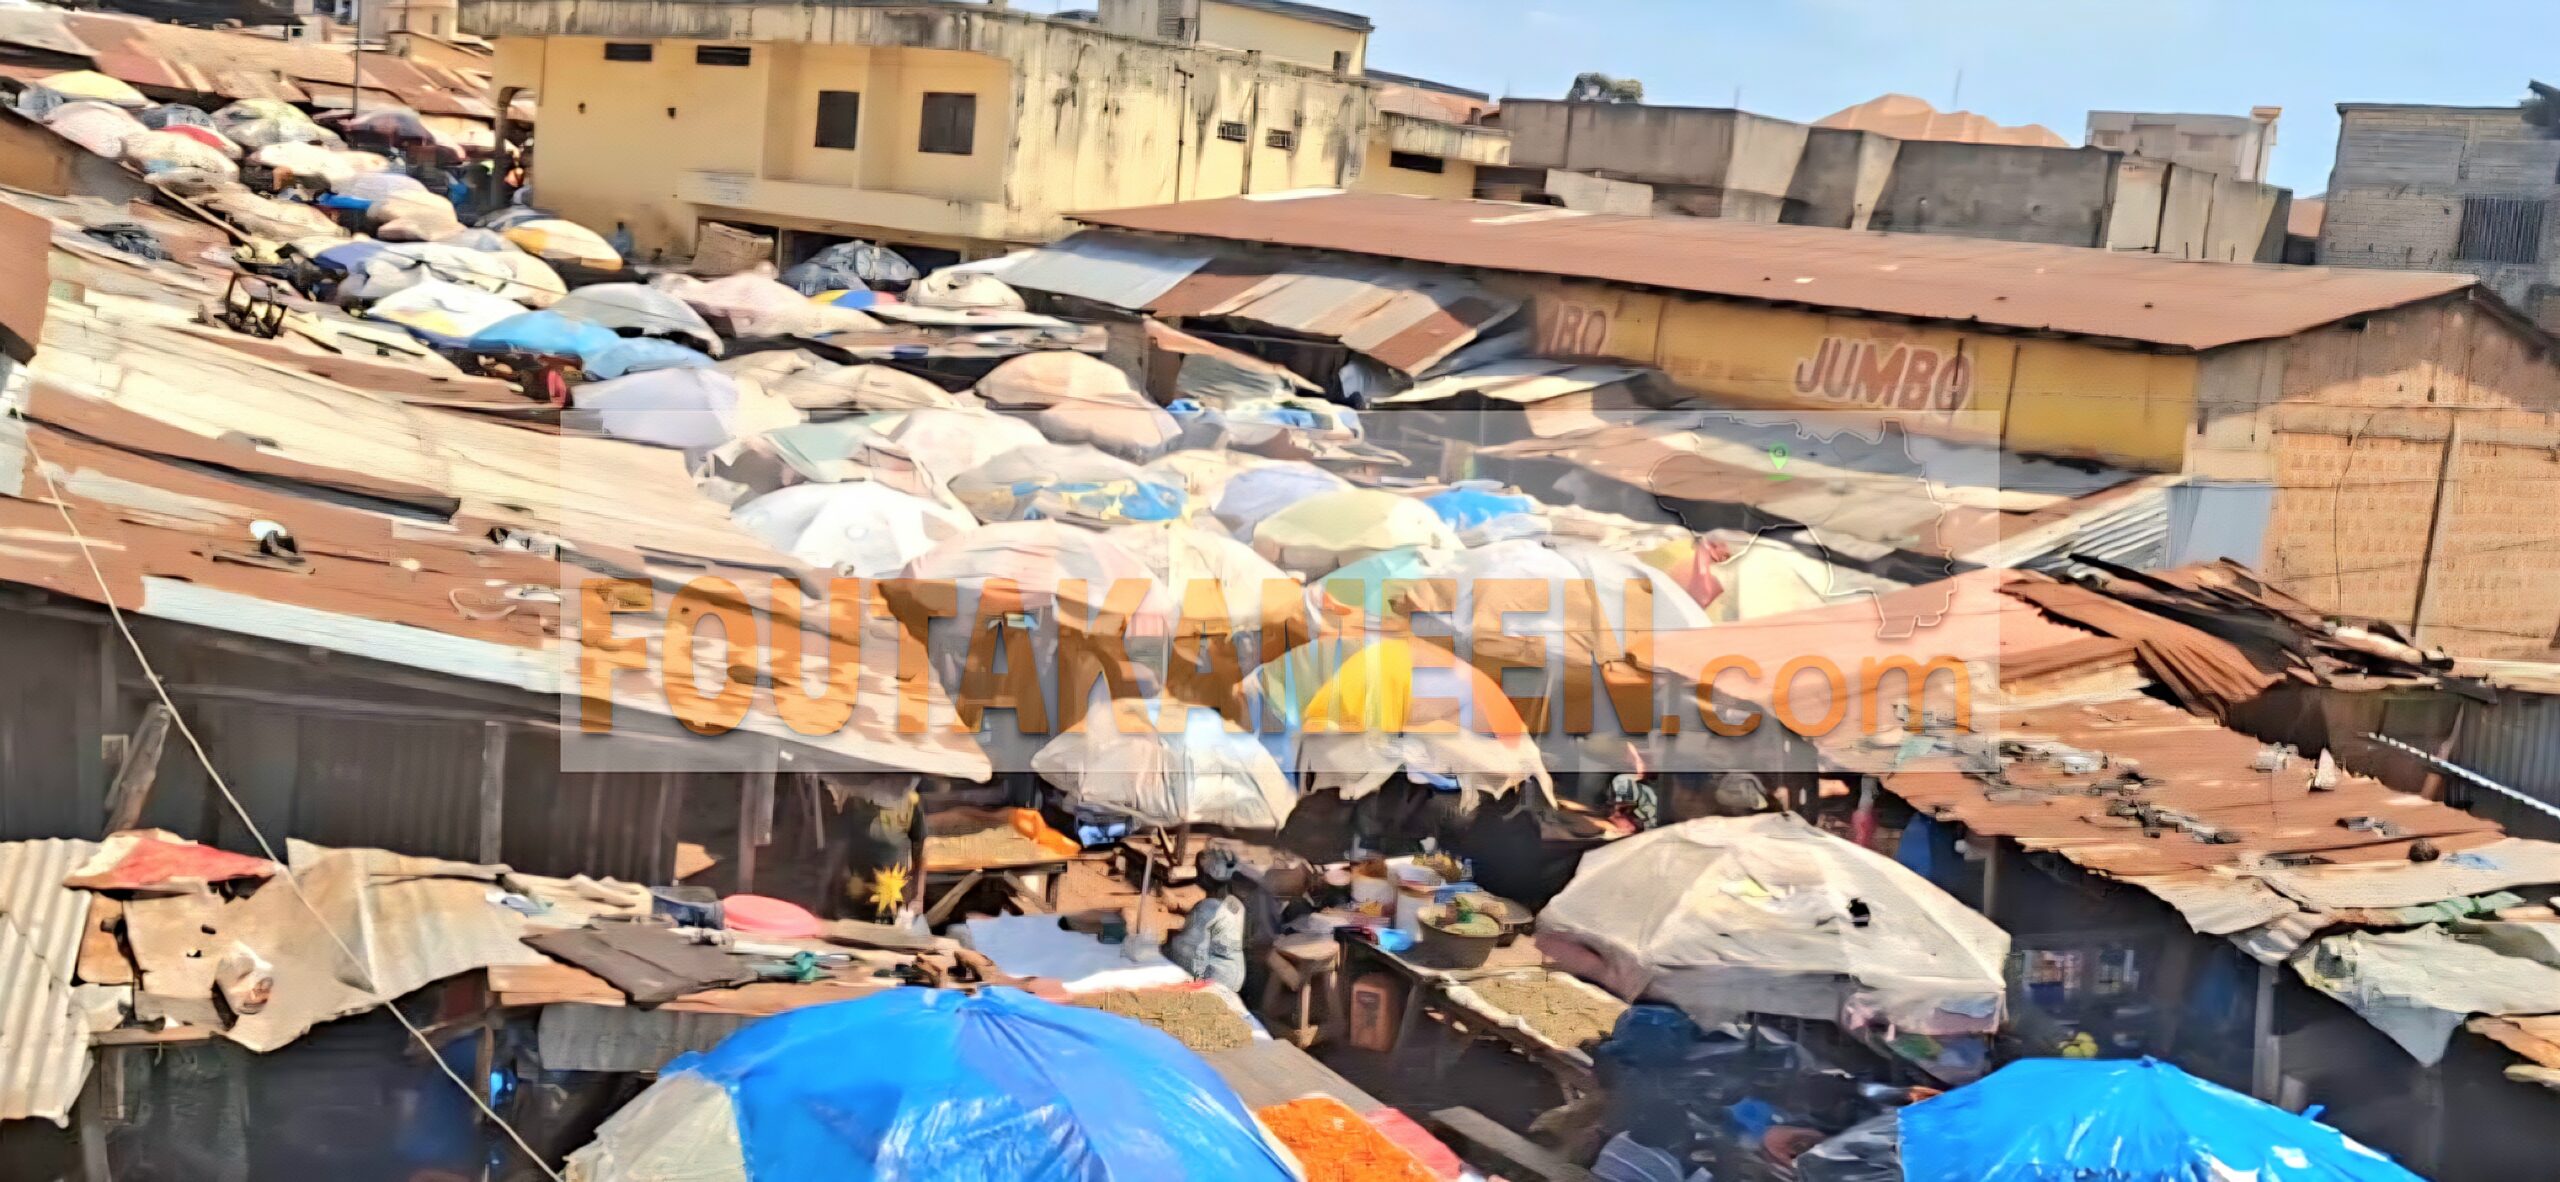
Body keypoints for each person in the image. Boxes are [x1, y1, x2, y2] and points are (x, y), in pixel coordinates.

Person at [821, 774, 928, 926]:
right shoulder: (855, 801)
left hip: (893, 897)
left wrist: (918, 897)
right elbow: (839, 846)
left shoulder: (912, 801)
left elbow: (921, 850)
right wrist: (832, 889)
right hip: (853, 897)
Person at [1164, 846, 1247, 993]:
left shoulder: (1207, 908)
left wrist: (1162, 950)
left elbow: (1187, 949)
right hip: (1235, 976)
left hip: (1217, 977)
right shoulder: (1235, 904)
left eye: (1199, 872)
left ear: (1205, 878)